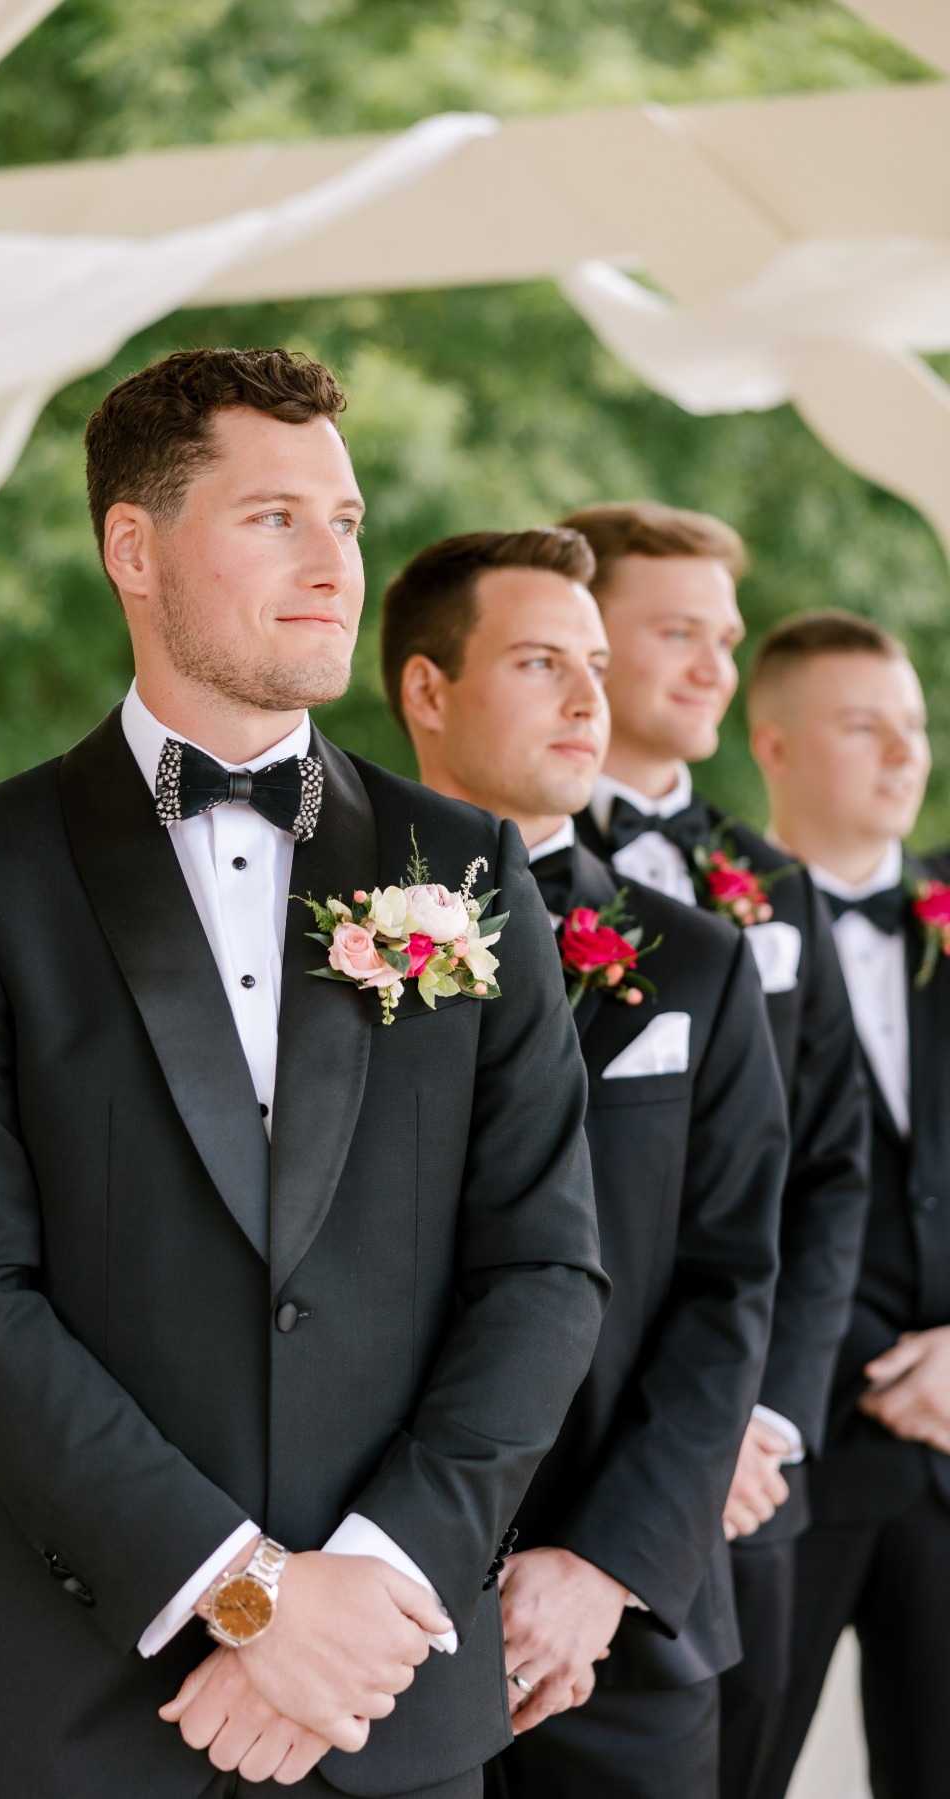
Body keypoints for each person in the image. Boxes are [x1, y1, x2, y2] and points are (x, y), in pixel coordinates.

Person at [0, 349, 609, 1799]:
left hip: (387, 1699)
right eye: (274, 516)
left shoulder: (464, 865)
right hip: (66, 1708)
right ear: (131, 548)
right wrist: (246, 1592)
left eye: (347, 519)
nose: (332, 560)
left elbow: (545, 1268)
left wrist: (366, 1594)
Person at [380, 527, 788, 1799]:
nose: (588, 701)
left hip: (624, 1626)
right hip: (364, 1610)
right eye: (542, 660)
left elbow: (729, 1283)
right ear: (429, 690)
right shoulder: (308, 945)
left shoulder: (701, 964)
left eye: (599, 664)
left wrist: (601, 1563)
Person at [561, 503, 869, 1799]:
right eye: (674, 632)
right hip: (564, 1466)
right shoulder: (472, 869)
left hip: (746, 1476)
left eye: (725, 638)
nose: (711, 668)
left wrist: (767, 1420)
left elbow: (828, 1168)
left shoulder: (772, 881)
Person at [744, 611, 950, 1799]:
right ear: (772, 744)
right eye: (865, 725)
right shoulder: (707, 928)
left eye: (914, 725)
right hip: (788, 1457)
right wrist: (882, 1364)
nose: (903, 752)